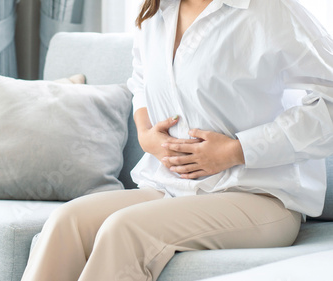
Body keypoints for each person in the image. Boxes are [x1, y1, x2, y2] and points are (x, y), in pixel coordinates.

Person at [21, 0, 333, 280]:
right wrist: (145, 134)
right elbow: (141, 80)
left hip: (260, 197)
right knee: (67, 221)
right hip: (171, 188)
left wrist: (237, 150)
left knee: (125, 231)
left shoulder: (271, 10)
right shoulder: (156, 11)